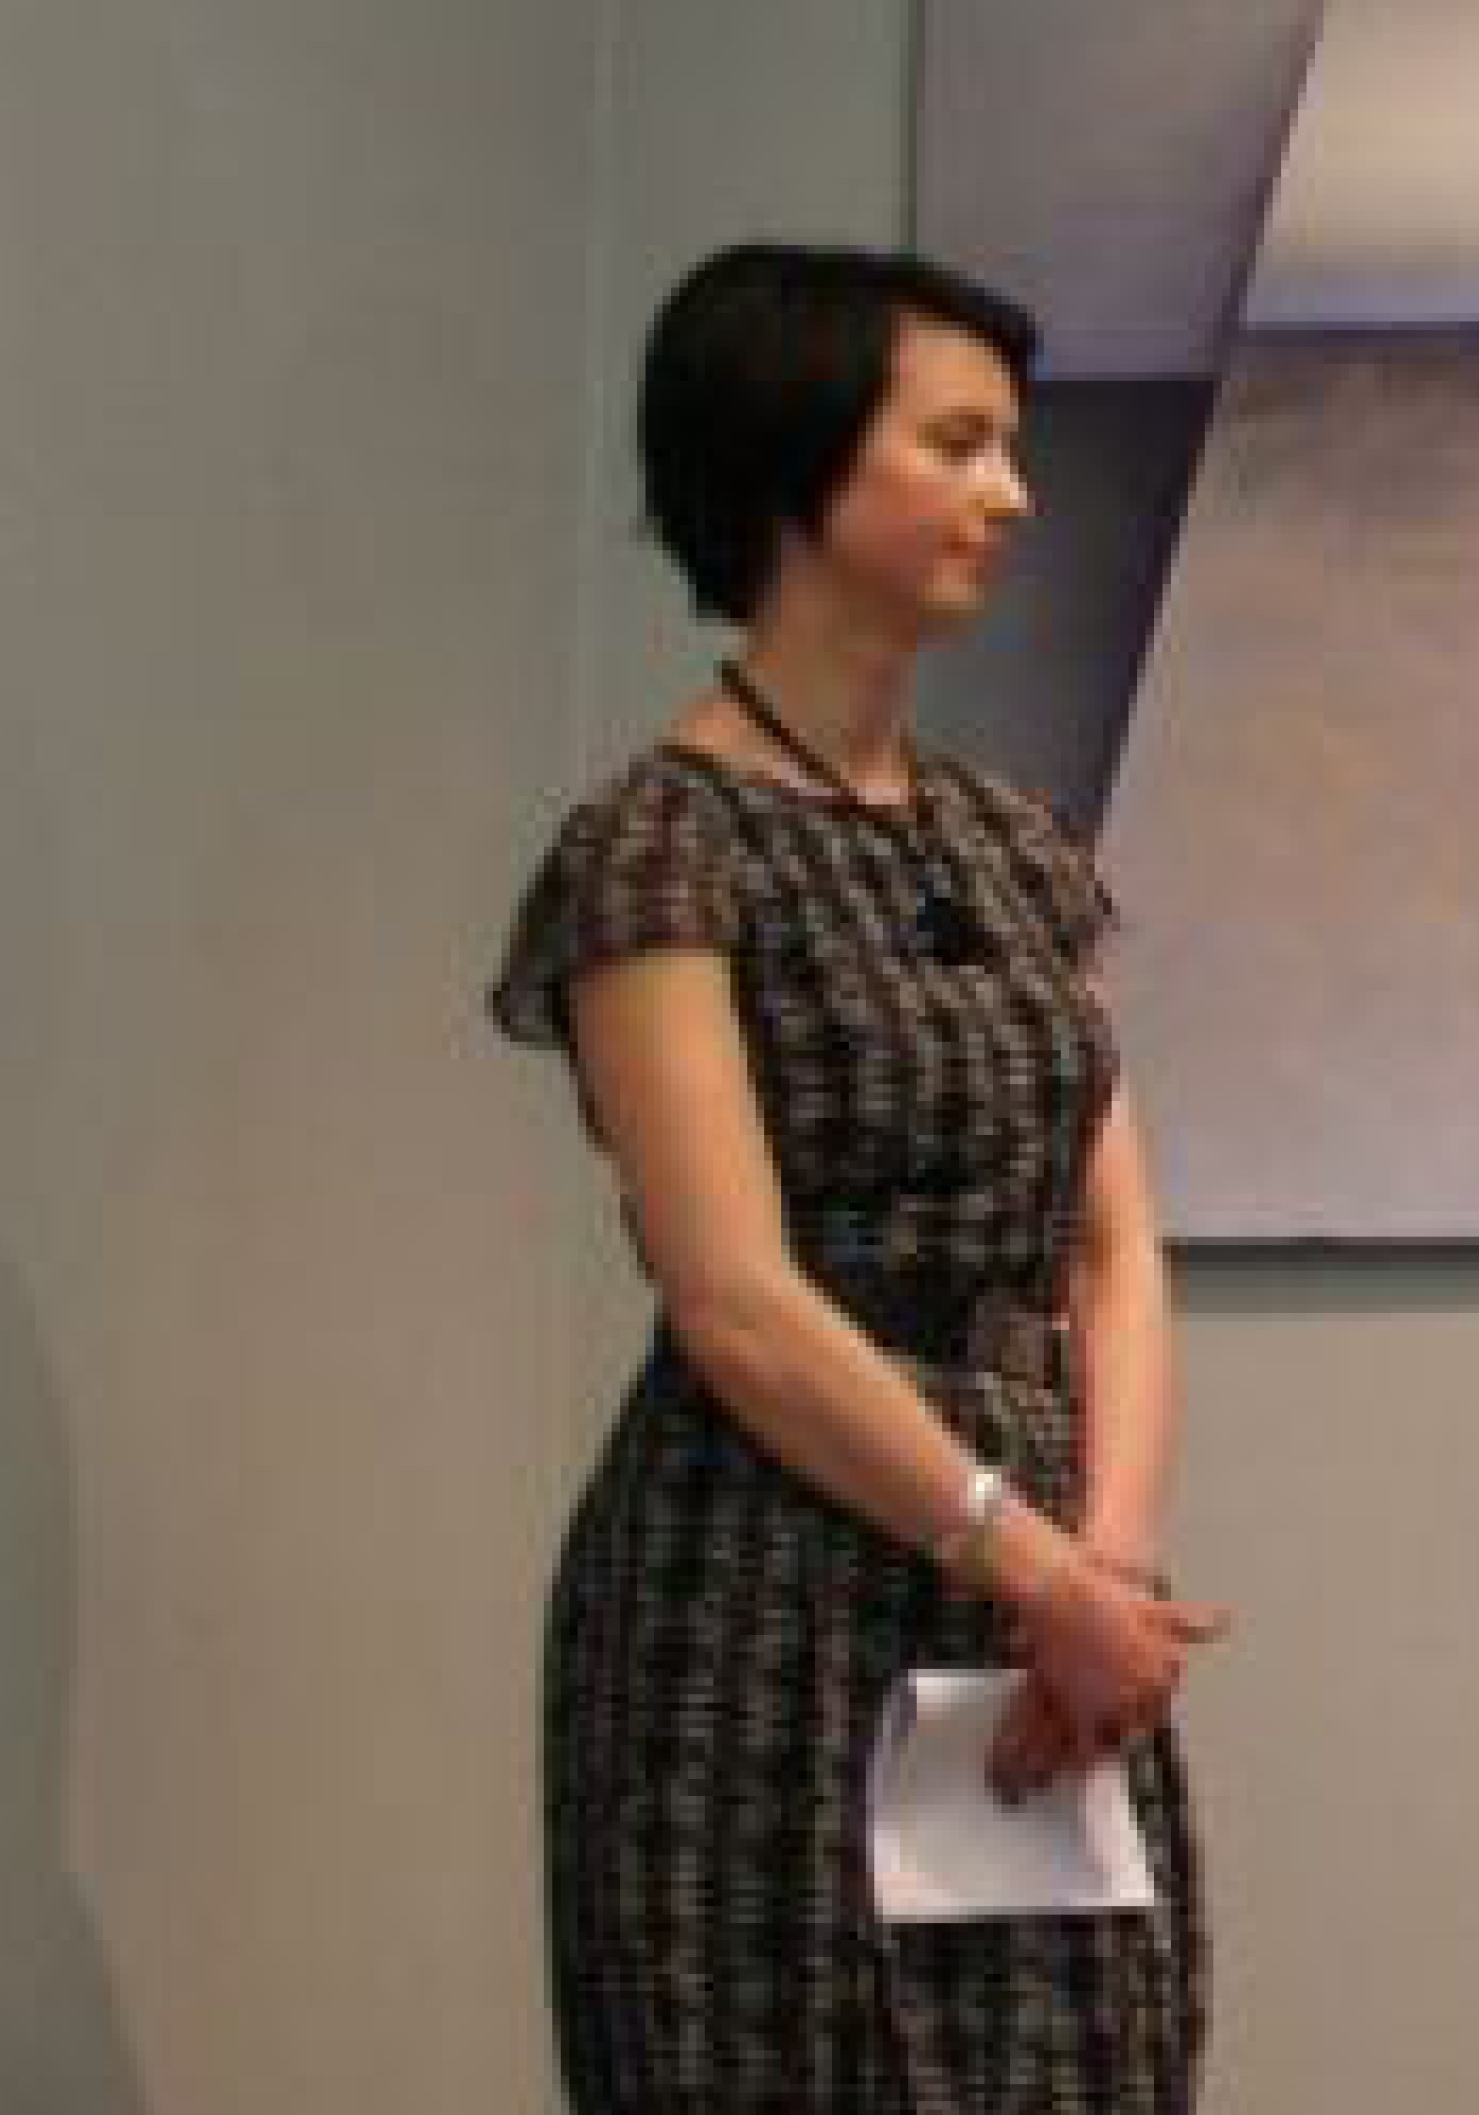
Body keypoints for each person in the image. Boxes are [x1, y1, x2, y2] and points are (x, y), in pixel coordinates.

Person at [489, 243, 1226, 2109]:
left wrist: (1105, 1569)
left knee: (1084, 2062)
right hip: (769, 1570)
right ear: (796, 465)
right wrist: (1022, 1555)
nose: (1011, 493)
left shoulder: (1014, 844)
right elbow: (732, 1294)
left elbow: (1114, 1245)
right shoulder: (665, 844)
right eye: (957, 444)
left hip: (1049, 1595)